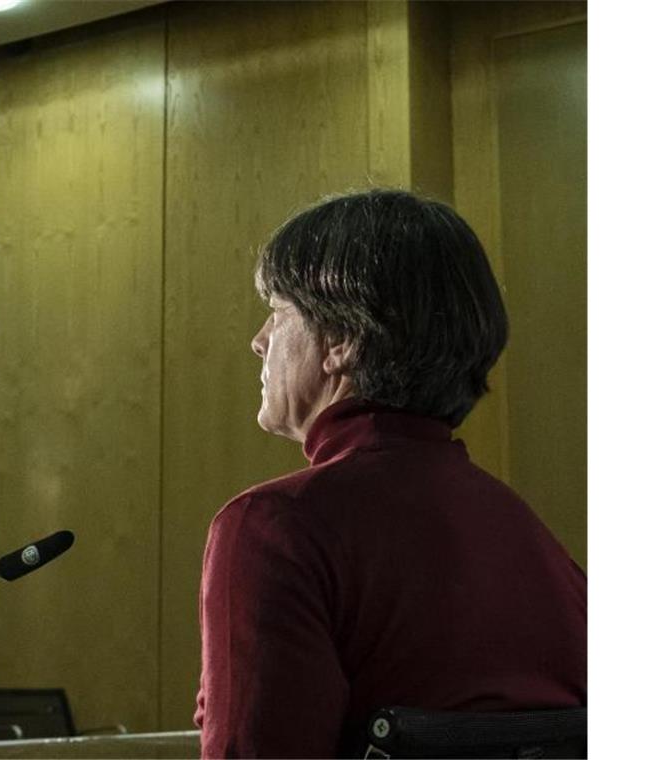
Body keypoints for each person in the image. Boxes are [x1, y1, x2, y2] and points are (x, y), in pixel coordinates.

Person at [193, 189, 586, 758]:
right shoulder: (536, 540)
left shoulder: (271, 528)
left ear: (344, 340)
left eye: (278, 313)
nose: (258, 342)